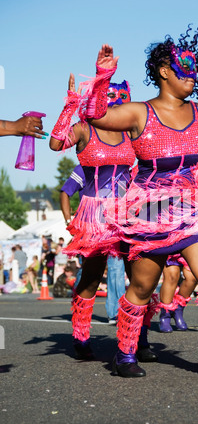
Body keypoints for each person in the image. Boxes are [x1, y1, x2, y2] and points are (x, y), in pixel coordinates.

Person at [88, 28, 198, 379]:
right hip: (150, 211)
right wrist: (102, 79)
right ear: (164, 71)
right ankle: (125, 355)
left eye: (194, 72)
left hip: (195, 205)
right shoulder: (137, 113)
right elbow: (95, 115)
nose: (192, 78)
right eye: (183, 71)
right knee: (143, 287)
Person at [50, 69, 156, 363]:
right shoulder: (84, 128)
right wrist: (71, 105)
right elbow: (56, 143)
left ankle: (140, 339)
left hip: (127, 212)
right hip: (94, 214)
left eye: (122, 99)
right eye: (110, 98)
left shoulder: (129, 131)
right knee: (92, 275)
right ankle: (81, 336)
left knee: (140, 277)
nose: (116, 104)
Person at [60, 164, 126, 324]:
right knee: (89, 272)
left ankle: (116, 313)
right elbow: (65, 192)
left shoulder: (121, 168)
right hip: (91, 229)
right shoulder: (83, 168)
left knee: (117, 269)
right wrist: (69, 221)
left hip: (115, 228)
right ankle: (79, 299)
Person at [159, 255, 197, 332]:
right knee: (172, 276)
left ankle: (178, 310)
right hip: (171, 246)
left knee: (192, 277)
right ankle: (165, 316)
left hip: (189, 244)